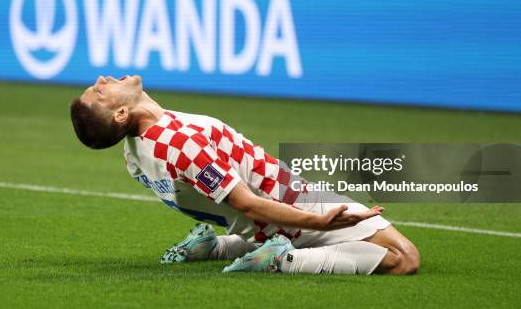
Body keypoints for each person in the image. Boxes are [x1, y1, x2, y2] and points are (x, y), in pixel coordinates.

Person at [69, 75, 420, 275]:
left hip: (255, 222)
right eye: (100, 91)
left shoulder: (135, 153)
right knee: (404, 258)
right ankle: (282, 259)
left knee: (257, 224)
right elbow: (249, 205)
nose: (102, 79)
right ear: (120, 114)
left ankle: (217, 246)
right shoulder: (179, 144)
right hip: (290, 203)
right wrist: (319, 221)